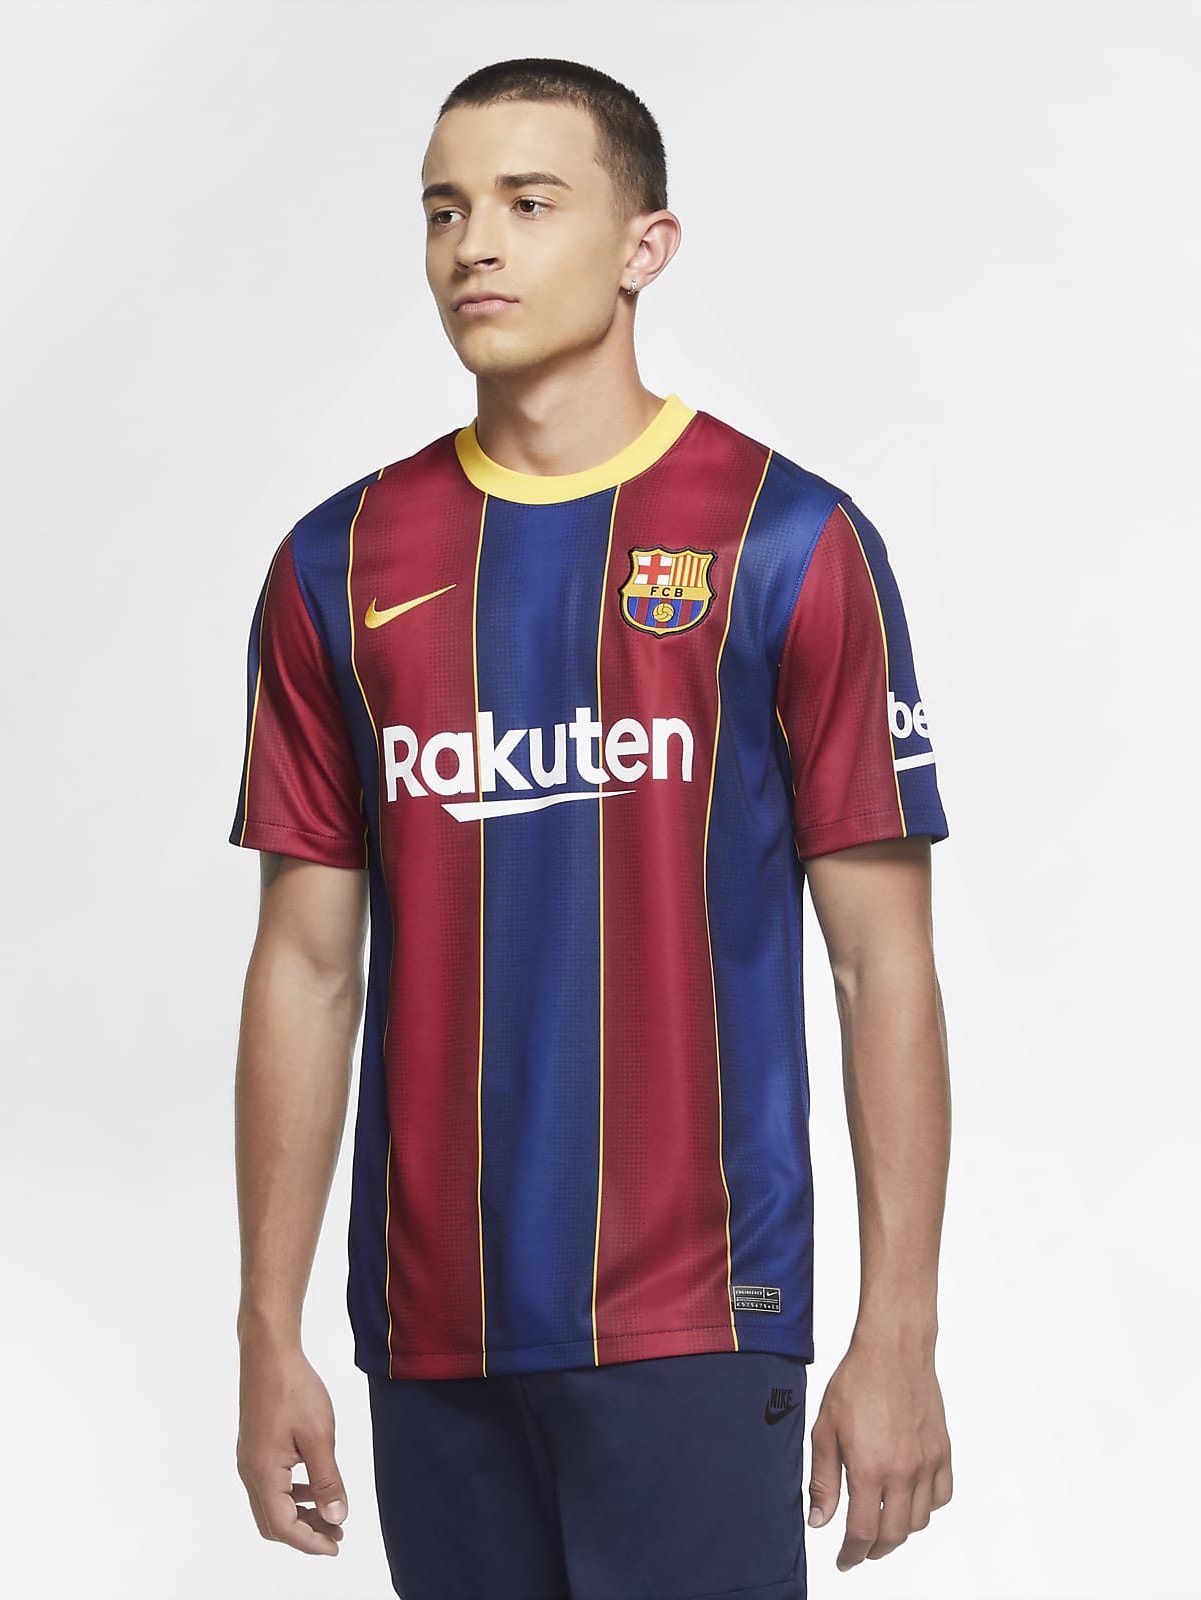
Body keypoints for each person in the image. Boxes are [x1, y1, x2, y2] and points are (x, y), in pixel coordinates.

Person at [228, 56, 954, 1600]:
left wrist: (898, 1331)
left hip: (699, 1313)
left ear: (645, 246)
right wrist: (265, 1328)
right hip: (431, 1330)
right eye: (445, 210)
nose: (473, 245)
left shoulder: (788, 540)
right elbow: (305, 967)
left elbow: (880, 964)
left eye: (527, 202)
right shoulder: (336, 565)